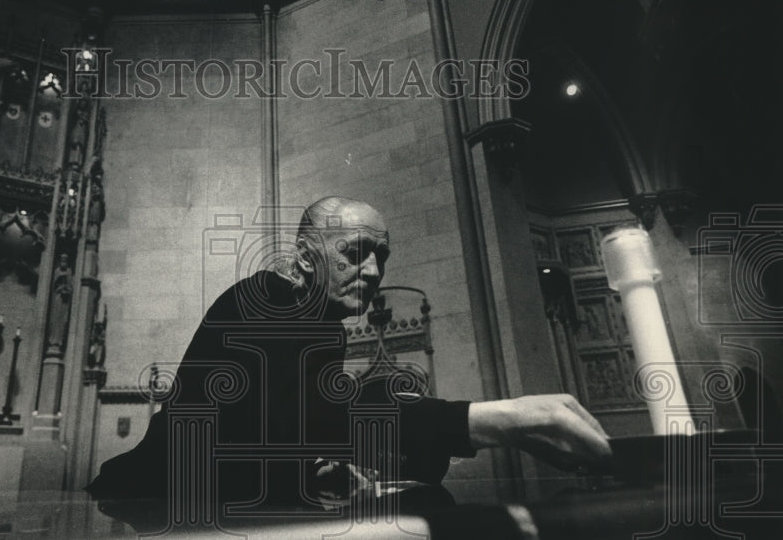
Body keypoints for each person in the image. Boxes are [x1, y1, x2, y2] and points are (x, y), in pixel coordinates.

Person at [88, 196, 611, 508]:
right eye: (355, 252)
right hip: (140, 506)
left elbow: (283, 428)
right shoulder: (265, 297)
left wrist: (316, 467)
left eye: (380, 256)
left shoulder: (325, 328)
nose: (374, 271)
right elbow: (331, 411)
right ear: (305, 258)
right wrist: (501, 417)